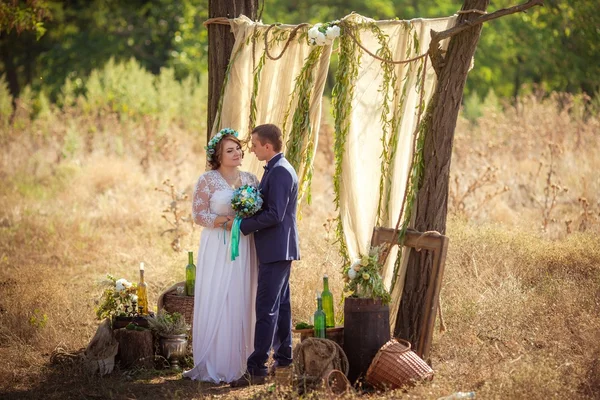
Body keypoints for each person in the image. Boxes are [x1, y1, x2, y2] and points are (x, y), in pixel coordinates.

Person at [183, 128, 259, 383]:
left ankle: (243, 361)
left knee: (241, 294)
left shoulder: (250, 179)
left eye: (238, 148)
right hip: (218, 245)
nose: (237, 153)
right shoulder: (207, 180)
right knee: (219, 295)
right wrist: (225, 221)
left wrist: (246, 220)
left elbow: (259, 210)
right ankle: (215, 361)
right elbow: (198, 214)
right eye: (230, 150)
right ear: (218, 156)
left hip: (245, 245)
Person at [230, 123, 300, 387]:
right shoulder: (276, 168)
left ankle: (256, 367)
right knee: (280, 306)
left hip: (276, 249)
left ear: (268, 146)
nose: (253, 149)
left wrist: (244, 225)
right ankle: (284, 359)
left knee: (266, 308)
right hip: (278, 248)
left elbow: (275, 214)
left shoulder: (281, 172)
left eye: (255, 145)